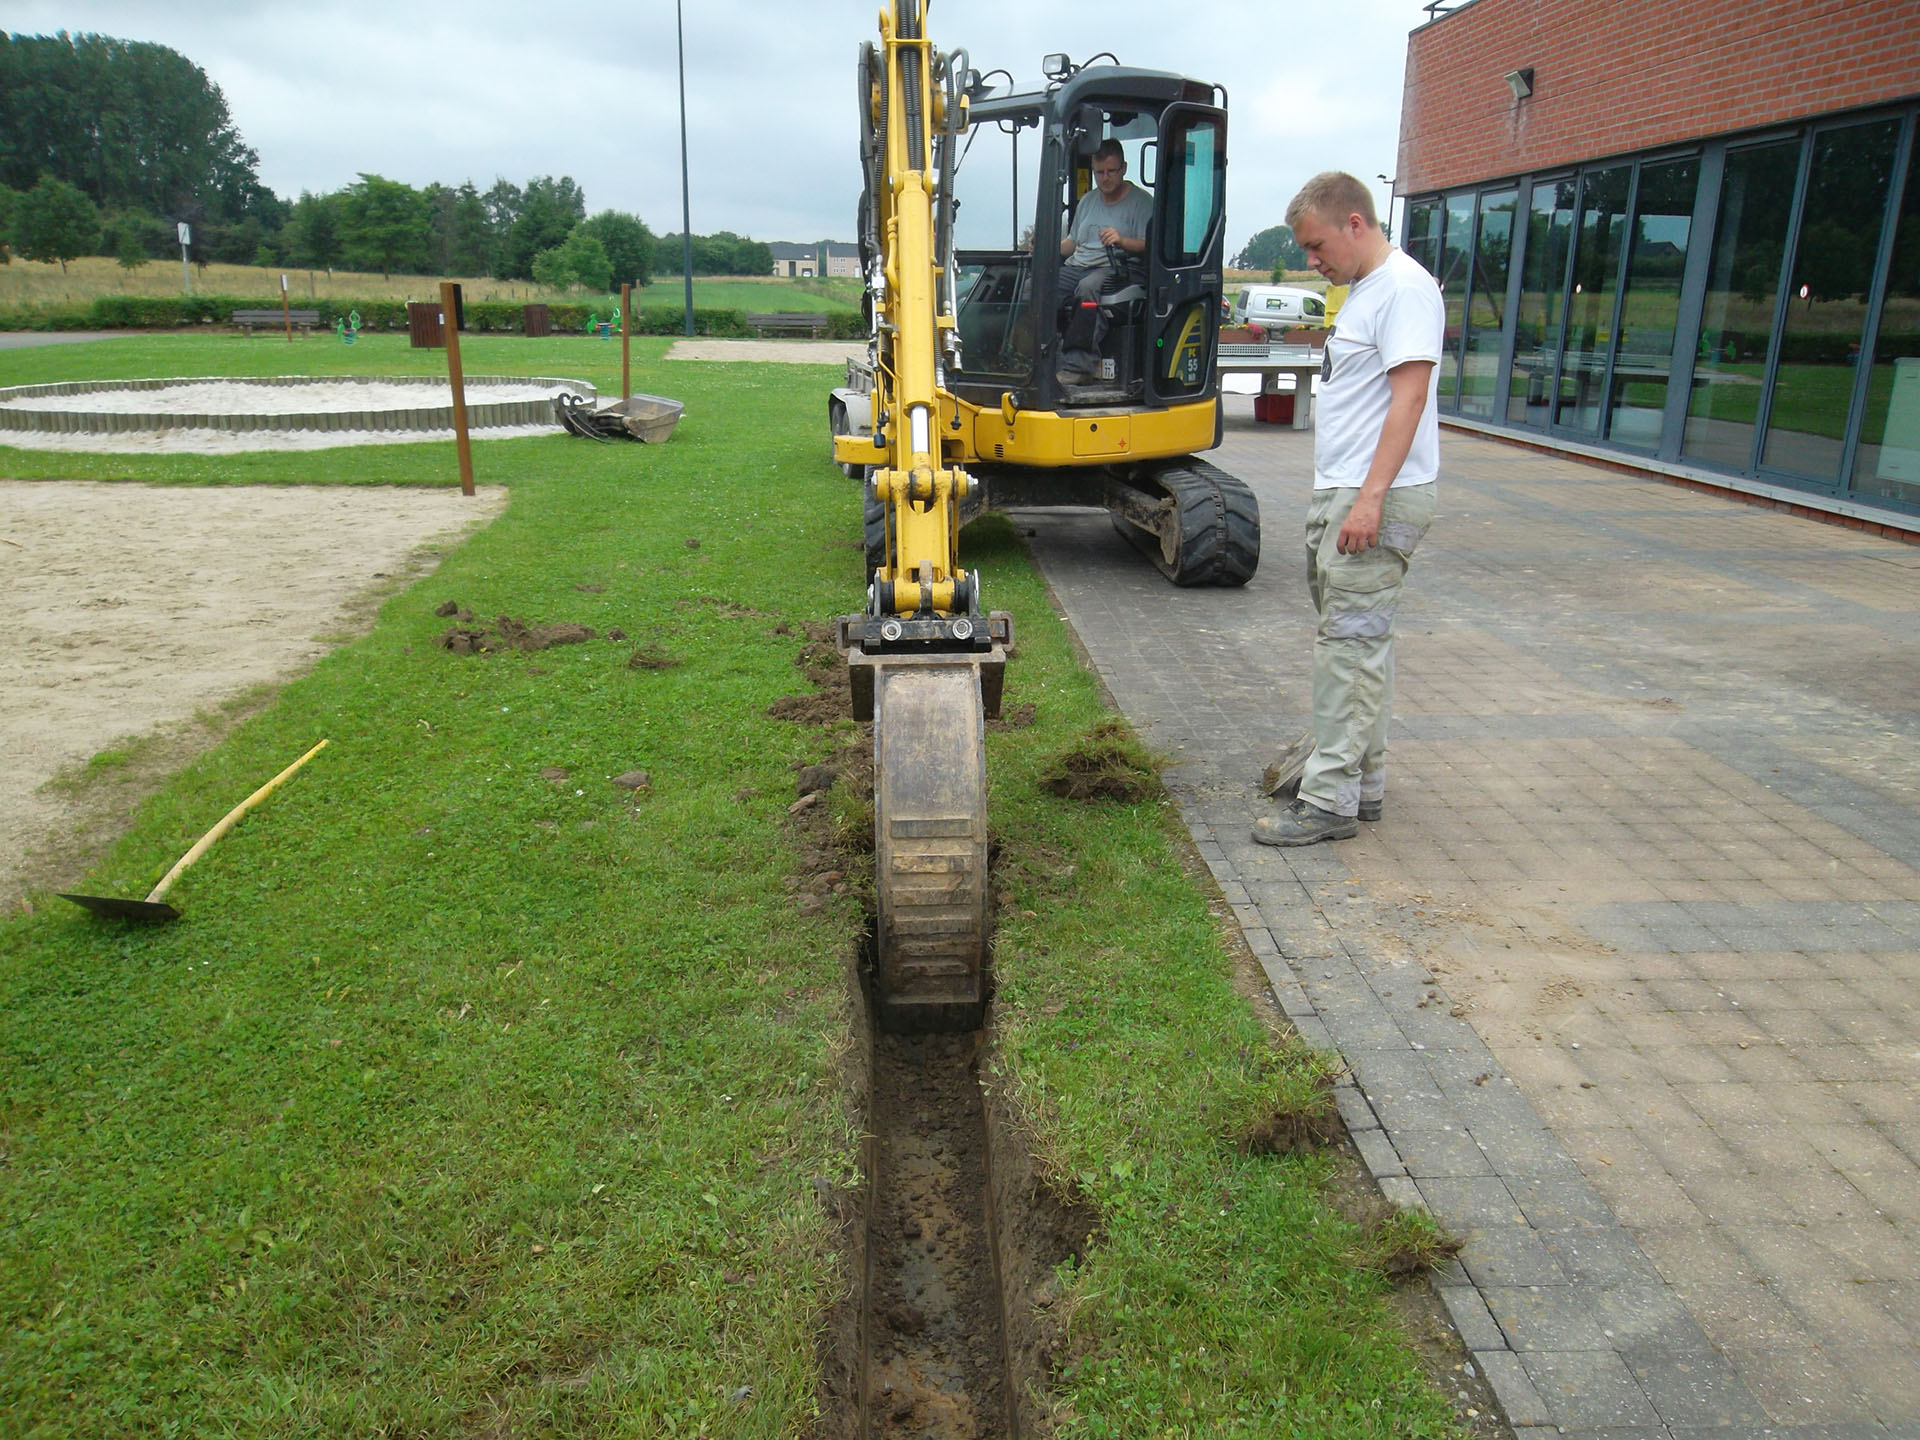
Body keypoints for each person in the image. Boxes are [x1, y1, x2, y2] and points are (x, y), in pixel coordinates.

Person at [1254, 171, 1442, 847]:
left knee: (1349, 650)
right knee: (1362, 646)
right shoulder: (1368, 292)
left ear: (1354, 224)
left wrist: (1369, 499)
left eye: (1315, 245)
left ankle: (1329, 802)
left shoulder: (1404, 290)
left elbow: (1409, 399)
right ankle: (1362, 785)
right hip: (1352, 494)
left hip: (1373, 499)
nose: (1311, 260)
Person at [1055, 138, 1152, 384]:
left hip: (1117, 269)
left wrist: (1121, 240)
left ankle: (1079, 367)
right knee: (1036, 286)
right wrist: (1044, 248)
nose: (1105, 178)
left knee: (1088, 290)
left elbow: (1150, 246)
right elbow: (1072, 243)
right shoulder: (1088, 200)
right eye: (1099, 172)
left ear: (1124, 169)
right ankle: (1040, 357)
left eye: (1111, 171)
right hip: (1077, 266)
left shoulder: (1141, 203)